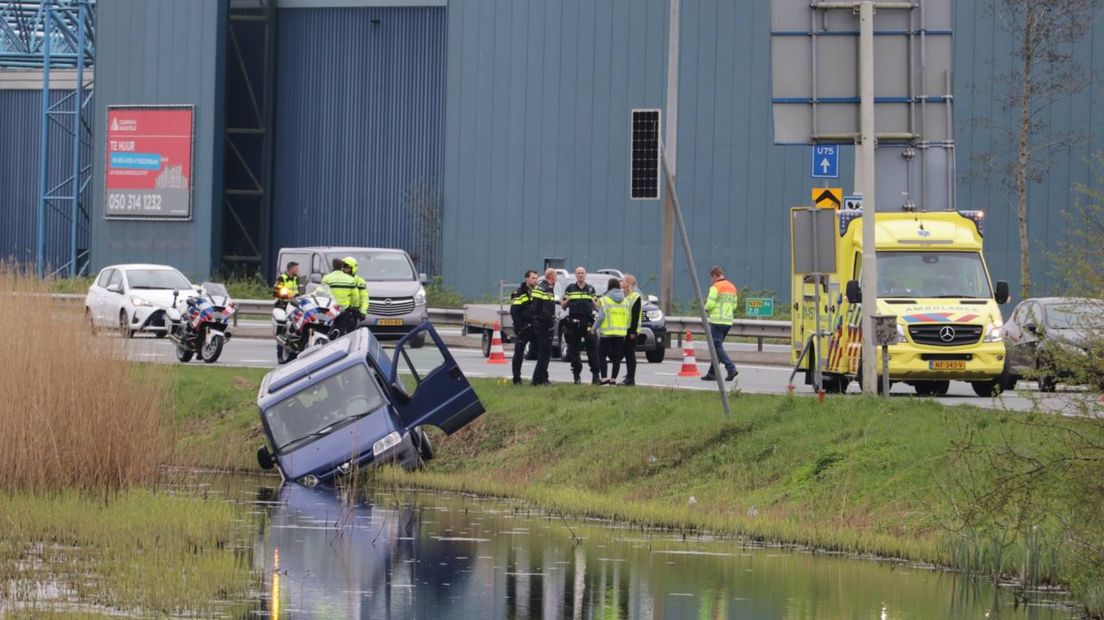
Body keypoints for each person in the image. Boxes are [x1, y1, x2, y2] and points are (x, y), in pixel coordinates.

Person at [560, 266, 601, 384]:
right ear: (576, 275)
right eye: (578, 273)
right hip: (574, 322)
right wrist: (569, 299)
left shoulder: (590, 289)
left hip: (587, 321)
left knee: (592, 349)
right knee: (574, 350)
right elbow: (563, 306)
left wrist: (593, 299)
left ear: (585, 274)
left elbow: (597, 307)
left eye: (582, 273)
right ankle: (576, 376)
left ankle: (595, 376)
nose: (581, 275)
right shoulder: (570, 288)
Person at [702, 266, 739, 381]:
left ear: (714, 275)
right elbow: (734, 306)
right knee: (717, 347)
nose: (712, 280)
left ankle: (731, 368)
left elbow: (711, 304)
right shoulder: (732, 287)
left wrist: (705, 309)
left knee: (716, 347)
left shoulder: (715, 287)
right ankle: (712, 373)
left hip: (717, 321)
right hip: (728, 322)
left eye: (712, 278)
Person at [595, 277, 631, 385]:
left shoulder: (604, 299)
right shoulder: (625, 300)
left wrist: (593, 329)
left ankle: (604, 378)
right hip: (620, 333)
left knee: (602, 355)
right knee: (616, 357)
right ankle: (613, 379)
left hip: (606, 333)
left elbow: (601, 317)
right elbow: (628, 318)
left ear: (609, 286)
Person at [529, 268, 557, 386]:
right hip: (545, 326)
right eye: (556, 276)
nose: (556, 279)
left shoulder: (538, 287)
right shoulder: (548, 290)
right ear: (552, 277)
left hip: (537, 323)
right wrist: (551, 322)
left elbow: (534, 307)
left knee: (541, 352)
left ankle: (542, 378)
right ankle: (538, 379)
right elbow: (547, 309)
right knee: (544, 354)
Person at [509, 270, 538, 385]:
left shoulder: (538, 291)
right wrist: (520, 327)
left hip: (535, 327)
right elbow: (514, 312)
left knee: (542, 352)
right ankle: (517, 378)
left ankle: (540, 378)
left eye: (536, 278)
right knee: (519, 353)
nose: (535, 280)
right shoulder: (519, 292)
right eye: (532, 278)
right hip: (524, 328)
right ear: (526, 279)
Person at [322, 257, 360, 335]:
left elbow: (323, 294)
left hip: (330, 310)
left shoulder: (326, 278)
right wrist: (355, 308)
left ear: (333, 266)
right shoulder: (350, 279)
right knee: (341, 332)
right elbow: (355, 297)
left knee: (326, 330)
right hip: (344, 310)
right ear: (342, 267)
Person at [620, 274, 643, 386]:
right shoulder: (624, 296)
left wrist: (633, 331)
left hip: (631, 330)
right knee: (626, 354)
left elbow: (635, 316)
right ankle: (628, 376)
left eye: (622, 281)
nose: (620, 283)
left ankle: (631, 378)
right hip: (624, 330)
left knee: (630, 354)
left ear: (628, 283)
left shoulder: (635, 297)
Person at [346, 256, 370, 322]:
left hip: (353, 312)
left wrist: (363, 312)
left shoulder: (359, 281)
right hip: (338, 310)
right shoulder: (337, 279)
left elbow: (364, 298)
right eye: (343, 268)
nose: (344, 270)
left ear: (353, 268)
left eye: (347, 268)